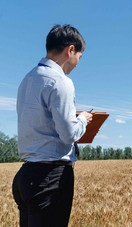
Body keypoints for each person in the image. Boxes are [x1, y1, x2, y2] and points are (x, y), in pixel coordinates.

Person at [12, 24, 92, 227]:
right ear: (70, 50)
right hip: (50, 178)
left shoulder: (27, 79)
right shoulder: (60, 81)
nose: (77, 64)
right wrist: (82, 119)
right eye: (79, 57)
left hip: (25, 176)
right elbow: (68, 134)